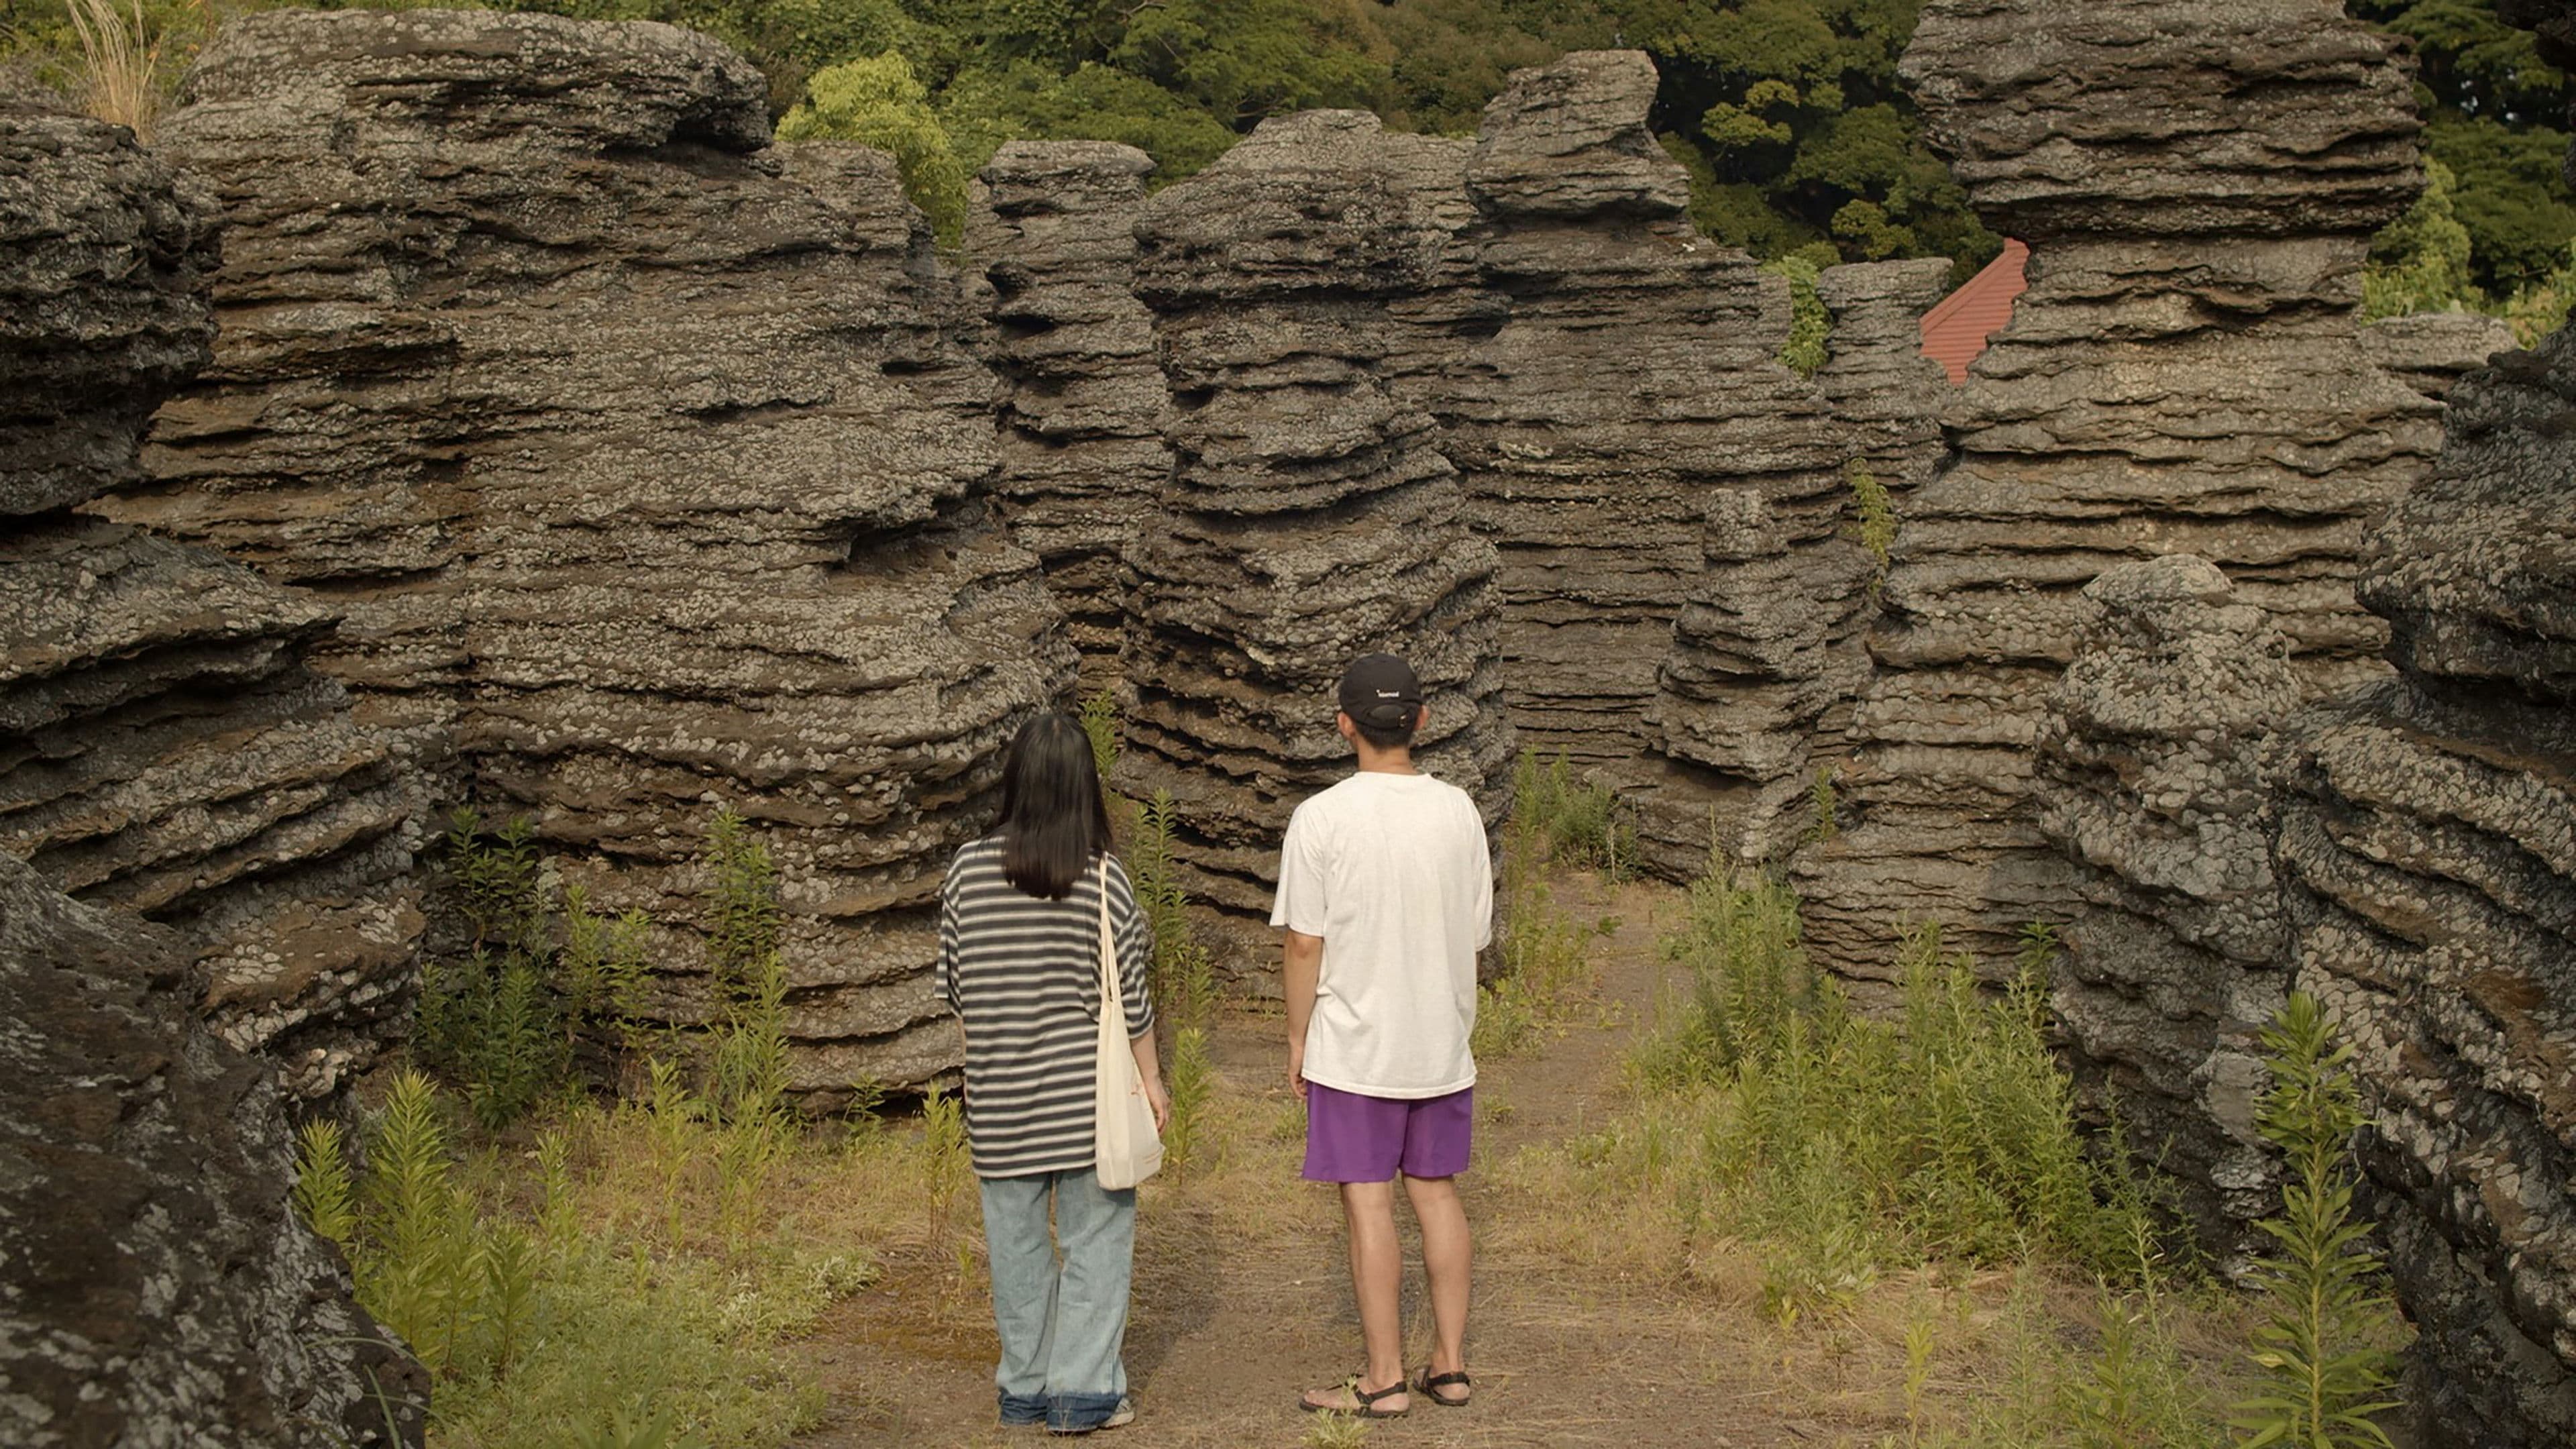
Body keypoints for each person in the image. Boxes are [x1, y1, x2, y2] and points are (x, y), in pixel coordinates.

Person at [1272, 653, 1495, 1419]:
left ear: (1344, 726)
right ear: (1422, 722)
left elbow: (1305, 943)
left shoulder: (1322, 817)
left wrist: (1298, 1037)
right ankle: (1452, 1367)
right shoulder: (1459, 811)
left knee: (1369, 1202)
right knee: (1437, 1194)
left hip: (1356, 1043)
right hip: (1438, 1040)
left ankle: (1384, 1378)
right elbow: (1472, 935)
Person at [938, 712, 1169, 1436]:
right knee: (1096, 1243)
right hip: (1088, 1102)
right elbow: (1132, 999)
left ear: (1015, 783)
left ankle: (1025, 1388)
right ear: (1085, 790)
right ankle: (1084, 1392)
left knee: (1017, 1251)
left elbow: (957, 987)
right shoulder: (1105, 878)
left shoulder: (966, 872)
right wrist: (1153, 1083)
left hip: (1001, 1097)